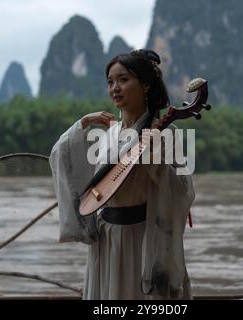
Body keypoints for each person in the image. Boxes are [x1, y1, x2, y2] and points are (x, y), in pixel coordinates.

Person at [49, 49, 195, 300]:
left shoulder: (164, 133)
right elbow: (61, 156)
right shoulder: (108, 134)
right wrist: (83, 123)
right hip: (106, 239)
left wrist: (155, 163)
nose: (115, 88)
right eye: (110, 82)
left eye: (124, 79)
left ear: (146, 85)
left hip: (141, 238)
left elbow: (183, 189)